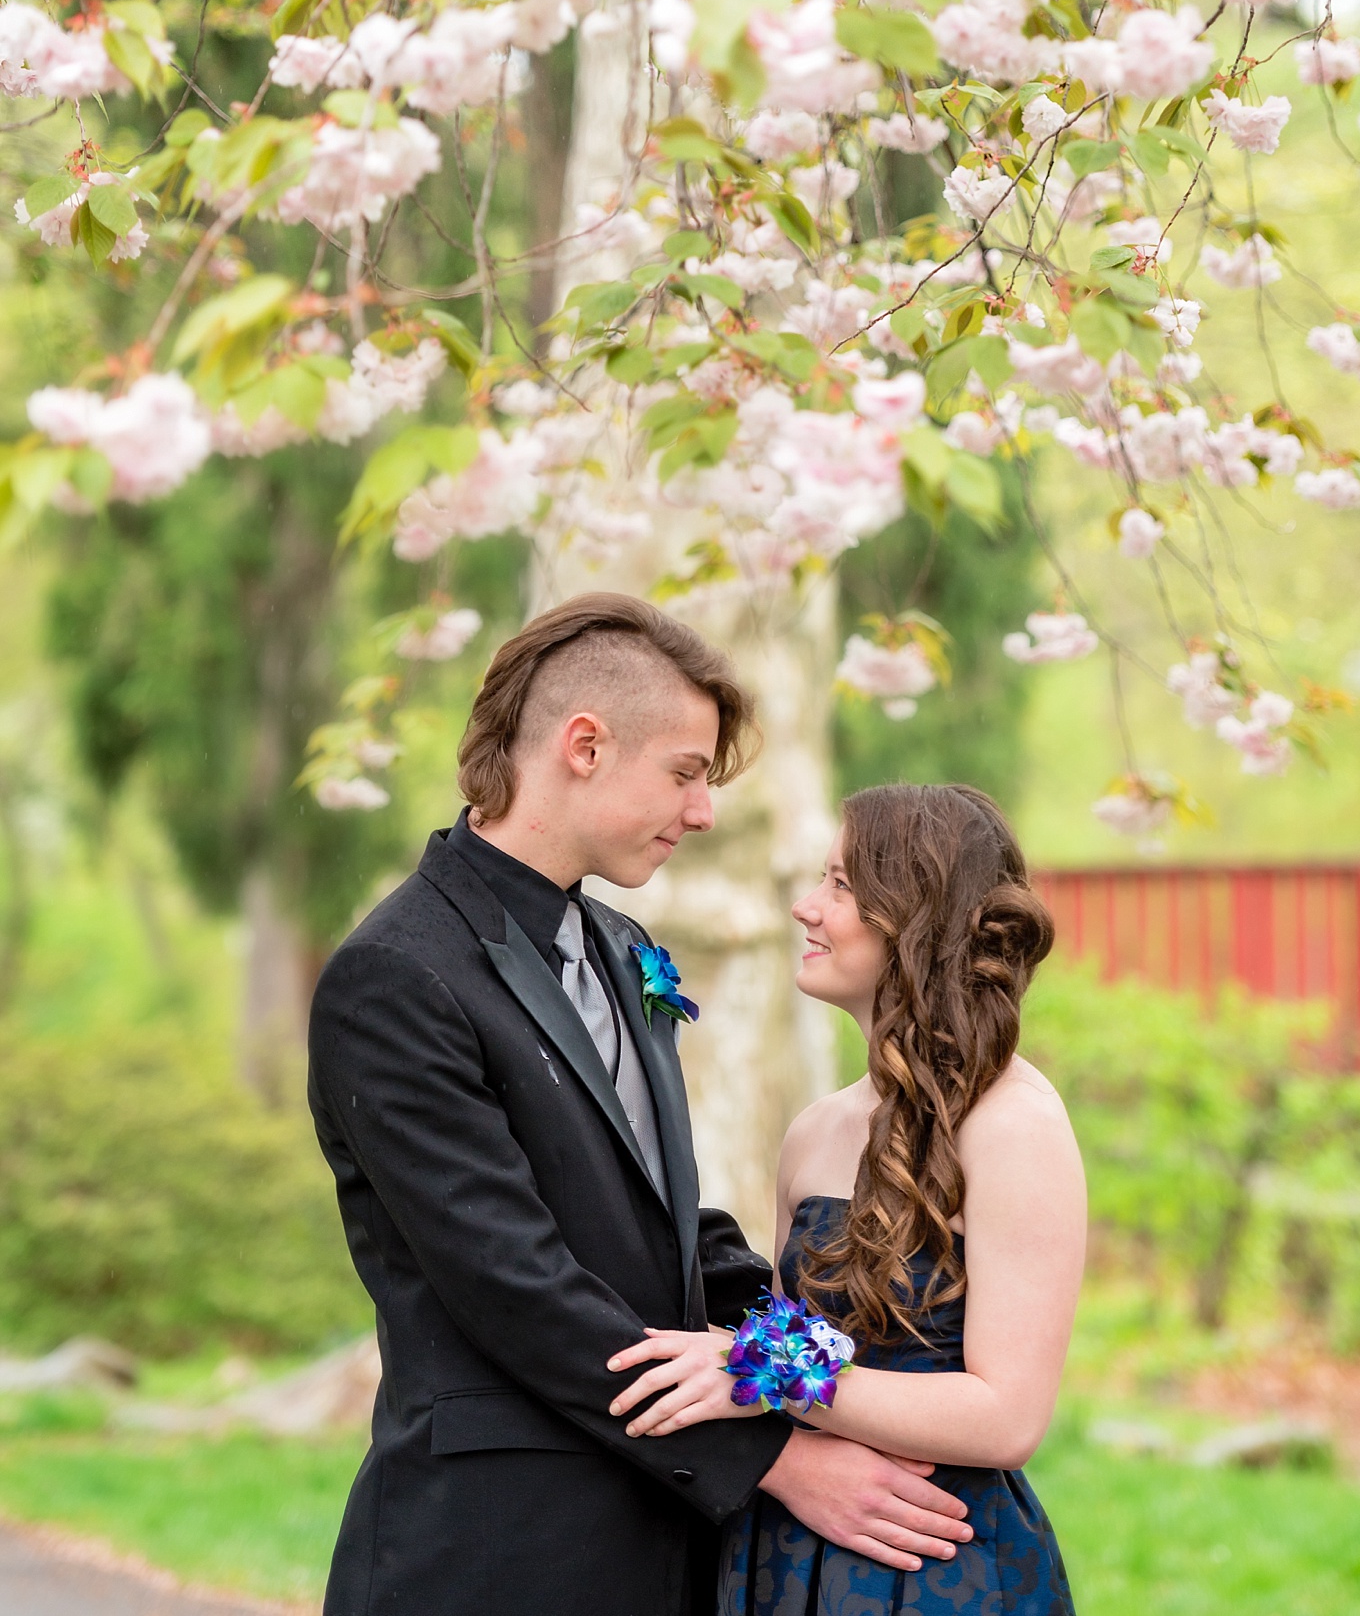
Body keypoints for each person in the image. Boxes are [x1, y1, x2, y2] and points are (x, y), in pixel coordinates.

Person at [308, 595, 972, 1616]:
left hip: (661, 1546)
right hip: (496, 1551)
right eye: (685, 773)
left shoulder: (620, 950)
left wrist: (821, 1360)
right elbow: (514, 1281)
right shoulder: (397, 978)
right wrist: (775, 1455)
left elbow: (663, 1225)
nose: (702, 811)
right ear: (583, 745)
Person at [605, 781, 1086, 1616]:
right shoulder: (814, 1132)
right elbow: (799, 1346)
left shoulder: (1015, 1123)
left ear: (918, 916)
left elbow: (1007, 1414)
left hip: (934, 1560)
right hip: (786, 1549)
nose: (804, 907)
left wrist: (758, 1368)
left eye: (839, 885)